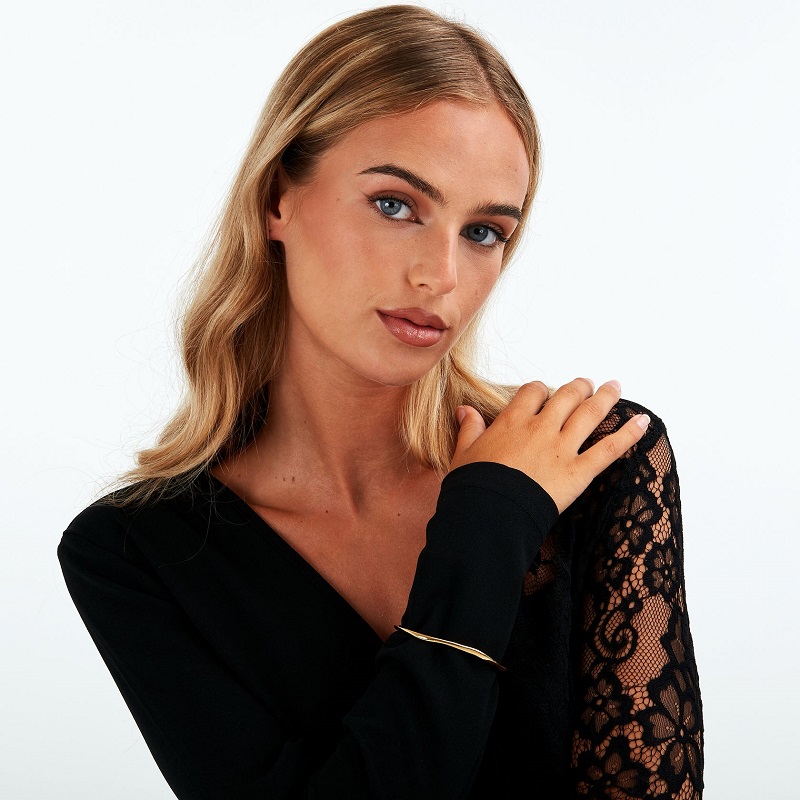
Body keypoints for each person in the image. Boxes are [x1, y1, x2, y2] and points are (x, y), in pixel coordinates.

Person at [57, 5, 703, 798]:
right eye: (396, 205)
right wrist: (488, 524)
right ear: (277, 199)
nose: (442, 275)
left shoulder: (595, 459)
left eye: (484, 231)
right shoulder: (135, 554)